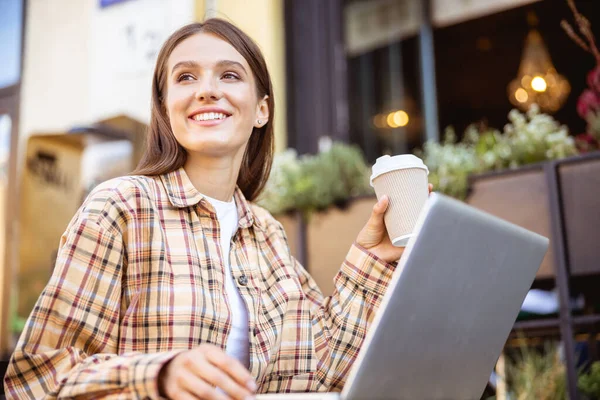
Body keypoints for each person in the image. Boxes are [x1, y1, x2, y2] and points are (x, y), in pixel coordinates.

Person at [4, 19, 431, 400]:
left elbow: (322, 371)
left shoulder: (266, 233)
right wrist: (160, 377)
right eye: (186, 77)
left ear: (261, 109)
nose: (207, 89)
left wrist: (370, 260)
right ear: (167, 108)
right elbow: (36, 380)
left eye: (229, 75)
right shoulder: (120, 208)